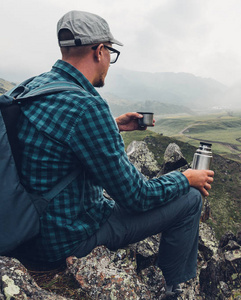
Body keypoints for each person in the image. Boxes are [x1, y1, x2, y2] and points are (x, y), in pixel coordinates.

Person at [15, 10, 214, 294]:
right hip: (65, 241)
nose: (110, 60)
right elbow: (138, 197)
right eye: (111, 52)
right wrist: (186, 178)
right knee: (191, 199)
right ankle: (175, 290)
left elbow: (56, 141)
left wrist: (112, 126)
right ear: (99, 51)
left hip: (26, 230)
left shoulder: (33, 87)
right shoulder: (87, 107)